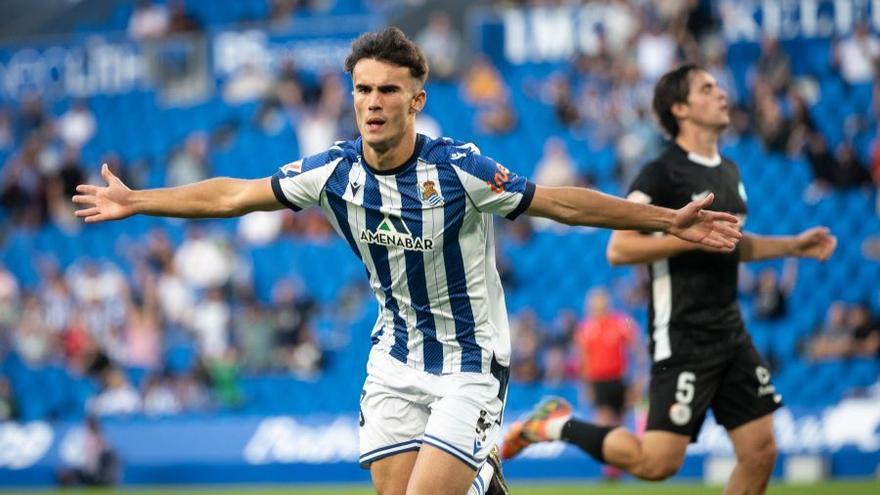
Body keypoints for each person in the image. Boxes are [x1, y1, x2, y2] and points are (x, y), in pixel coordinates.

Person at [73, 32, 742, 495]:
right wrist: (141, 201)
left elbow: (561, 205)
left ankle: (477, 468)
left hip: (469, 363)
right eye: (362, 89)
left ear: (415, 100)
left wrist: (665, 217)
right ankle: (485, 478)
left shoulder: (459, 169)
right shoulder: (332, 169)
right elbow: (234, 194)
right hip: (392, 360)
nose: (371, 102)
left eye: (388, 91)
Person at [501, 64, 837, 495]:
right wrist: (686, 240)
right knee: (656, 462)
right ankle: (554, 424)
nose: (721, 94)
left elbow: (729, 243)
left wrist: (792, 246)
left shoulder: (729, 171)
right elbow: (619, 249)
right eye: (707, 88)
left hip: (730, 328)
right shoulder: (661, 173)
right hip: (683, 332)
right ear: (680, 108)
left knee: (760, 451)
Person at [571, 287, 645, 480]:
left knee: (619, 426)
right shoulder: (585, 329)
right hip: (599, 382)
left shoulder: (621, 324)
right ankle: (611, 468)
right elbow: (582, 361)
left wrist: (638, 381)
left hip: (619, 380)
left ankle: (617, 466)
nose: (597, 306)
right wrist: (585, 387)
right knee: (604, 425)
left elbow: (638, 351)